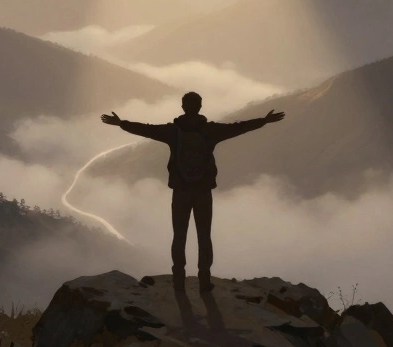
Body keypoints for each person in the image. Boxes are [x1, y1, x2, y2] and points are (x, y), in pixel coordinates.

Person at [101, 92, 285, 291]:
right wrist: (263, 121)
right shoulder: (211, 131)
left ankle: (178, 280)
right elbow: (237, 128)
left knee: (179, 236)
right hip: (203, 191)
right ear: (200, 106)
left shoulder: (172, 132)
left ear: (182, 107)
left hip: (180, 191)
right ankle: (204, 280)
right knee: (204, 236)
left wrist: (122, 123)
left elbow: (147, 129)